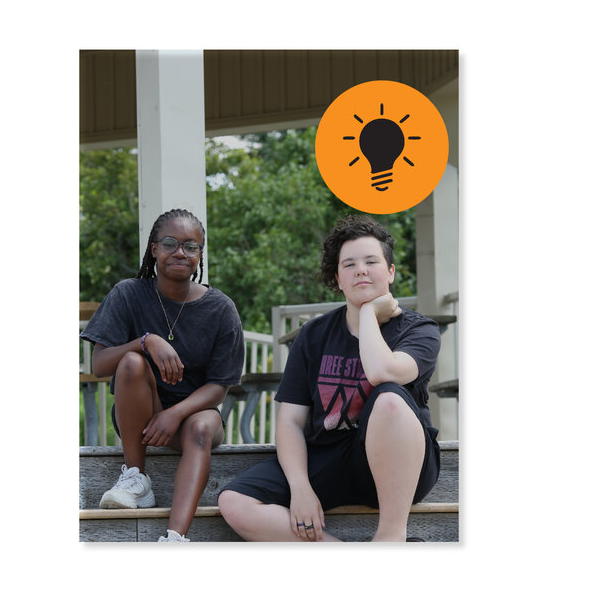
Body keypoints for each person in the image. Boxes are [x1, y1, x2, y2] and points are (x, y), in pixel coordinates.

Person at [218, 214, 441, 542]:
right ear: (337, 278)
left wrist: (367, 313)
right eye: (349, 264)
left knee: (390, 398)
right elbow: (291, 421)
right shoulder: (314, 335)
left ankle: (391, 538)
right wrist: (300, 488)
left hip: (402, 467)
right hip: (328, 458)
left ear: (391, 271)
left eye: (371, 261)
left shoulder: (419, 330)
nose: (361, 270)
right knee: (234, 502)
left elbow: (383, 372)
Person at [81, 208, 245, 542]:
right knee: (131, 362)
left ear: (200, 254)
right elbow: (99, 366)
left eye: (191, 246)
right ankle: (135, 477)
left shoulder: (220, 308)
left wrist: (176, 414)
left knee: (200, 427)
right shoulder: (128, 294)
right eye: (169, 243)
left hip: (197, 415)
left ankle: (175, 540)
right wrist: (145, 342)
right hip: (141, 418)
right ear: (154, 248)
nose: (180, 252)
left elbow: (219, 387)